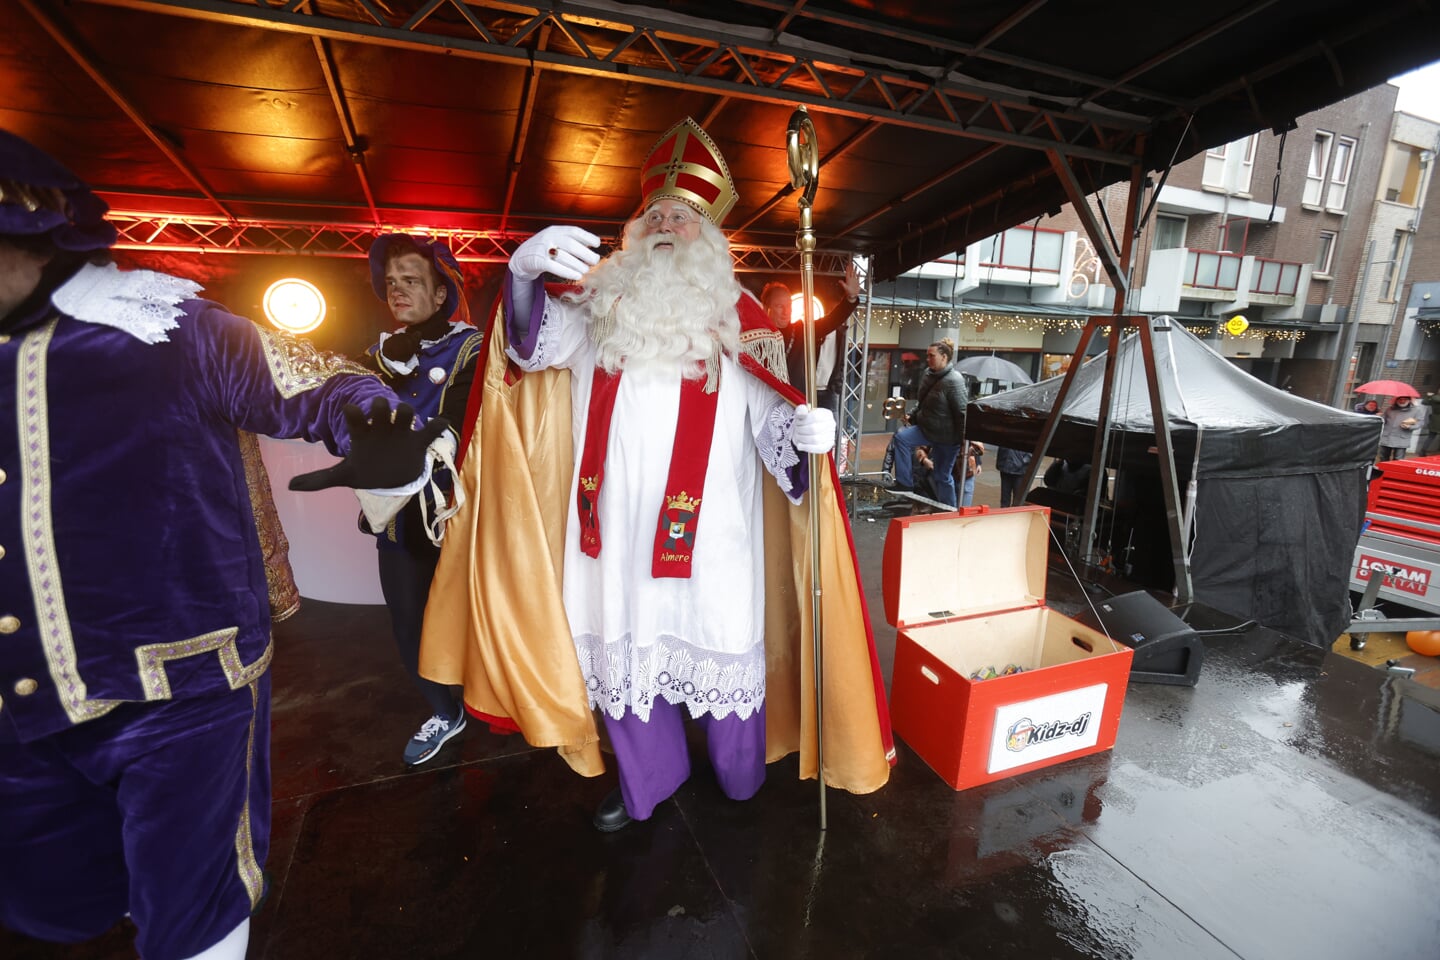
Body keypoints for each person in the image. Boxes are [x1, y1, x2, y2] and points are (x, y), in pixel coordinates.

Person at [0, 130, 446, 960]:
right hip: (18, 709)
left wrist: (374, 419)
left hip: (179, 688)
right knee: (55, 905)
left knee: (193, 914)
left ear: (40, 227)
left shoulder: (163, 323)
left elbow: (311, 378)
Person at [415, 117, 895, 833]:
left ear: (712, 236)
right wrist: (519, 275)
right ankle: (648, 780)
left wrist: (809, 436)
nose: (668, 223)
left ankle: (740, 769)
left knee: (726, 649)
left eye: (685, 215)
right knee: (625, 659)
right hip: (607, 535)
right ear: (636, 232)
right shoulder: (595, 309)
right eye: (657, 214)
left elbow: (772, 427)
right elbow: (525, 346)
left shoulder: (744, 318)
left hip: (716, 542)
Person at [358, 234, 483, 765]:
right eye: (392, 283)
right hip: (394, 513)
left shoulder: (472, 347)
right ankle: (444, 710)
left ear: (440, 294)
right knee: (407, 618)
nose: (398, 290)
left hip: (456, 508)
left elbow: (465, 418)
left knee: (472, 612)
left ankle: (486, 700)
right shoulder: (379, 353)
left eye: (412, 280)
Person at [760, 260, 861, 410]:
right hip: (764, 405)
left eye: (789, 305)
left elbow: (831, 321)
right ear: (766, 307)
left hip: (795, 407)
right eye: (779, 306)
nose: (786, 311)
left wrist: (850, 298)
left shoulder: (801, 331)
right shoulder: (756, 335)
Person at [889, 340, 968, 506]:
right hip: (927, 430)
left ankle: (950, 510)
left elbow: (962, 415)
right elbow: (922, 402)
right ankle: (904, 484)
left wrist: (963, 441)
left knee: (942, 476)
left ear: (944, 357)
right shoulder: (928, 373)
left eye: (932, 356)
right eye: (927, 356)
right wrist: (912, 415)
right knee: (901, 438)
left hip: (947, 438)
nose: (928, 359)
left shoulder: (955, 380)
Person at [1378, 395, 1424, 461]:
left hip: (1402, 438)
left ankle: (1394, 471)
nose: (1402, 401)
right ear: (1396, 400)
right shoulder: (1390, 409)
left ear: (1409, 400)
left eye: (1404, 399)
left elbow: (1420, 422)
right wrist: (1379, 417)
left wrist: (1410, 427)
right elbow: (1383, 421)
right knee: (1383, 458)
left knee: (1398, 460)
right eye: (1400, 399)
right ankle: (1382, 471)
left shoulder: (1416, 410)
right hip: (1387, 437)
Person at [958, 440, 985, 507]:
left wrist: (978, 463)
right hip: (955, 472)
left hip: (968, 472)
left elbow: (978, 449)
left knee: (966, 504)